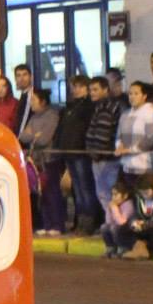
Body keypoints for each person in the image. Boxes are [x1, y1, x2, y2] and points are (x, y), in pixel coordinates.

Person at [55, 74, 98, 234]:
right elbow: (62, 129)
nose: (76, 90)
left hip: (81, 152)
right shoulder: (69, 107)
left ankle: (89, 221)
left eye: (80, 86)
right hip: (69, 152)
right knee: (77, 189)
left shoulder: (88, 107)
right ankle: (80, 220)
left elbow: (84, 130)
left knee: (85, 188)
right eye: (74, 86)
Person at [18, 86, 62, 233]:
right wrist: (33, 135)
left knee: (51, 192)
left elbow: (44, 139)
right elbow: (23, 135)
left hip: (49, 159)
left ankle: (56, 224)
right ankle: (45, 223)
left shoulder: (52, 115)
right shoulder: (34, 117)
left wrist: (33, 135)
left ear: (42, 102)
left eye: (34, 100)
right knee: (40, 193)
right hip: (35, 161)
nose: (31, 103)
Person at [84, 75, 125, 217]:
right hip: (98, 157)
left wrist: (96, 152)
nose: (92, 93)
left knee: (108, 193)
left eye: (95, 89)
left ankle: (114, 222)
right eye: (90, 90)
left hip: (107, 158)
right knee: (102, 194)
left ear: (105, 90)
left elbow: (104, 132)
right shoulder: (99, 107)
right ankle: (110, 221)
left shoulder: (109, 107)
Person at [116, 79, 153, 179]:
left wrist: (130, 150)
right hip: (127, 164)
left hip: (145, 164)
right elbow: (119, 135)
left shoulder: (151, 112)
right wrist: (119, 146)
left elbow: (152, 138)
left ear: (144, 96)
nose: (132, 97)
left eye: (136, 93)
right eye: (130, 94)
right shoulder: (125, 114)